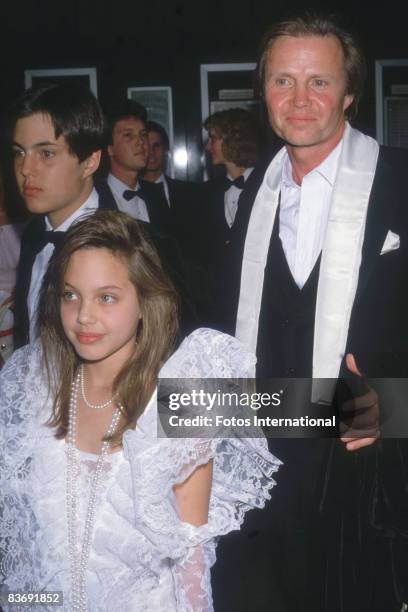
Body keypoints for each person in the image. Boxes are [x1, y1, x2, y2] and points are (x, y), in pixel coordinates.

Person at [212, 12, 408, 612]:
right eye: (282, 81)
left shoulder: (401, 181)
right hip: (262, 467)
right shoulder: (252, 200)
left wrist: (396, 405)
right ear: (263, 92)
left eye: (318, 82)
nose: (299, 100)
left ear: (349, 94)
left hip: (365, 474)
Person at [0, 210, 280, 611]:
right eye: (70, 294)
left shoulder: (183, 399)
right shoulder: (32, 386)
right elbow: (25, 554)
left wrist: (370, 408)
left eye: (107, 297)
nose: (83, 316)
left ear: (146, 302)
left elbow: (191, 570)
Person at [10, 83, 116, 349]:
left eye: (46, 153)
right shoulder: (33, 236)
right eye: (19, 153)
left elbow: (182, 369)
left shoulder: (134, 245)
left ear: (90, 162)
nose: (25, 169)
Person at [97, 100, 172, 230]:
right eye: (128, 135)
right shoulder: (94, 197)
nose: (140, 142)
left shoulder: (156, 194)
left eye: (143, 135)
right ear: (109, 148)